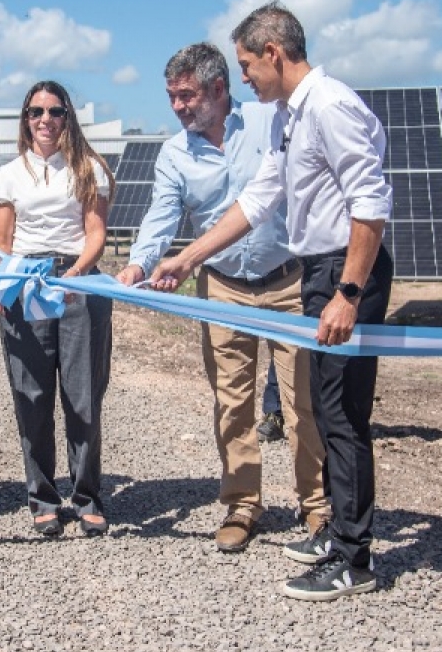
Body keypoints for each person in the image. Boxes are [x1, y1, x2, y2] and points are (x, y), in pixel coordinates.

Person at [150, 2, 394, 601]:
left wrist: (347, 293)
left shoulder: (330, 106)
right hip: (319, 272)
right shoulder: (292, 113)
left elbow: (371, 201)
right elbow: (260, 198)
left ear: (273, 54)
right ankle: (337, 534)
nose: (245, 77)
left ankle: (352, 556)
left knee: (336, 415)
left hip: (340, 275)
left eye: (246, 64)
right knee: (329, 413)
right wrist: (187, 258)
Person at [115, 42, 324, 555]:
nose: (179, 107)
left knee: (303, 403)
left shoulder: (268, 122)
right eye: (171, 97)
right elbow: (161, 217)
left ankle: (317, 505)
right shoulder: (174, 154)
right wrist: (139, 263)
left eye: (186, 95)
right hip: (223, 289)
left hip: (288, 283)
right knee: (233, 403)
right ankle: (243, 504)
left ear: (218, 88)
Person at [0, 80, 115, 537]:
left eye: (56, 111)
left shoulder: (89, 169)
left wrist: (75, 274)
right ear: (25, 118)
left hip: (78, 283)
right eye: (36, 111)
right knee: (32, 397)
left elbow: (95, 234)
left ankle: (86, 495)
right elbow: (2, 243)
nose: (46, 120)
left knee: (83, 397)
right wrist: (4, 291)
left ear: (68, 117)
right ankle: (43, 497)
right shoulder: (8, 175)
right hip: (25, 286)